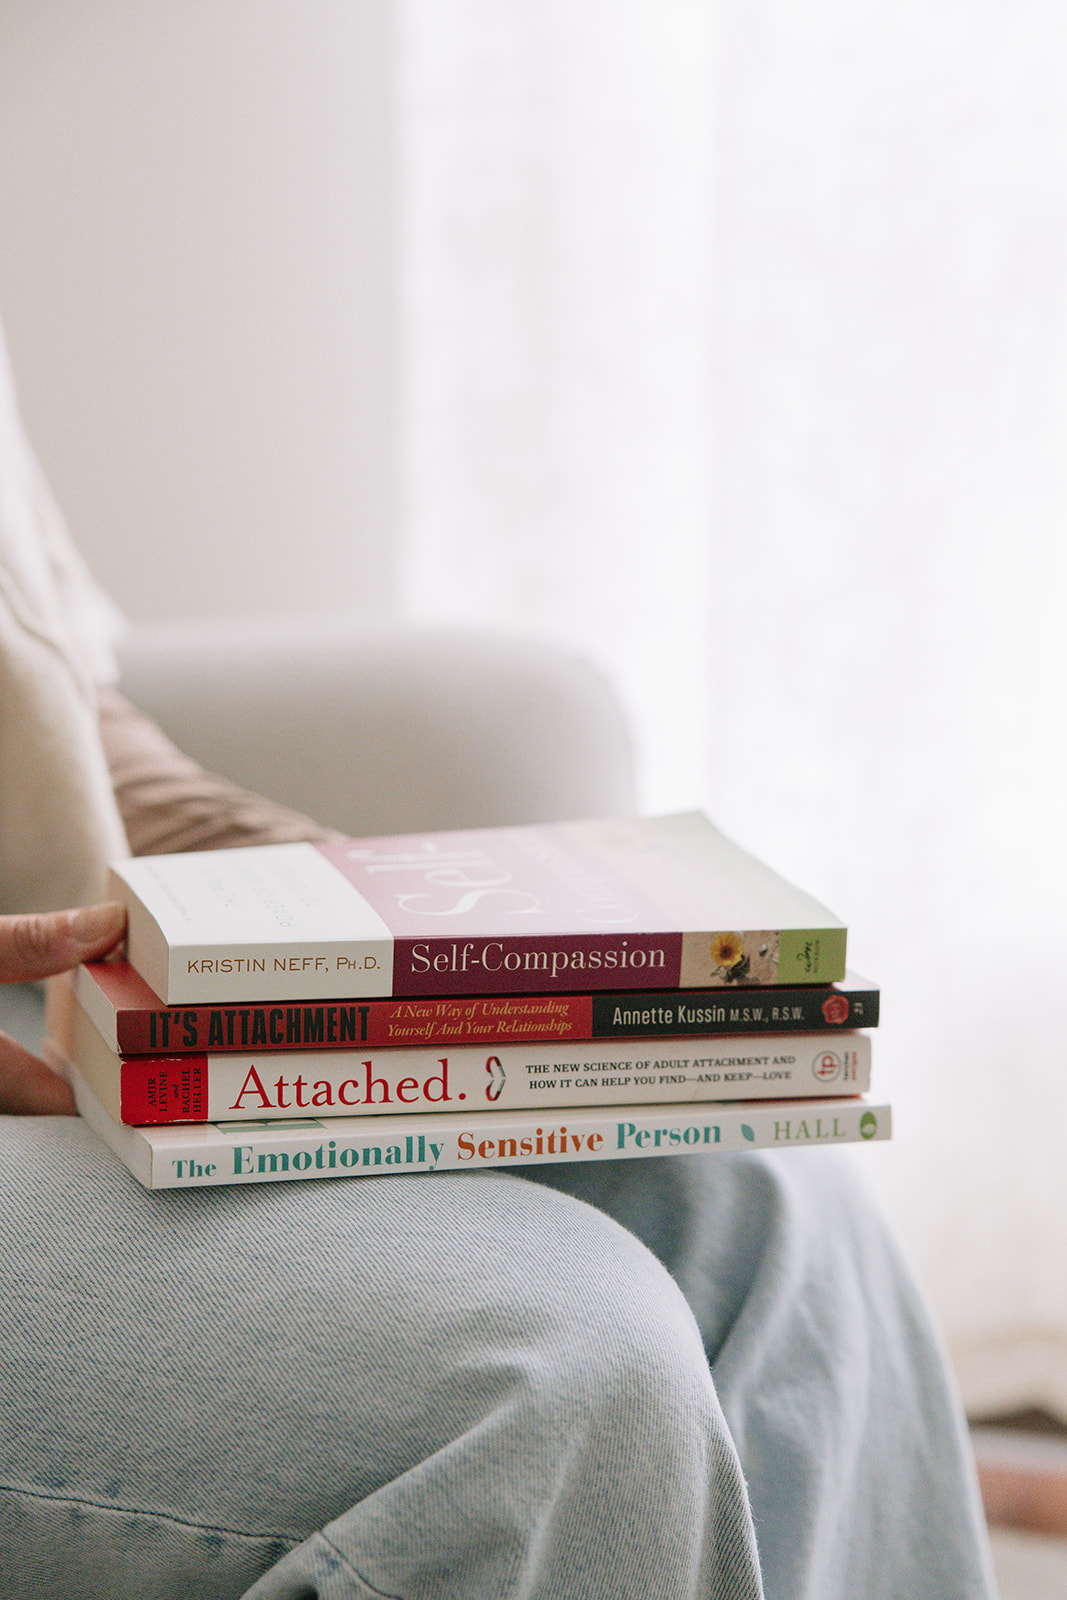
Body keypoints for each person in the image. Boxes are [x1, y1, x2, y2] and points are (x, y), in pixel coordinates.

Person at [0, 318, 998, 1600]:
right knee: (556, 1374)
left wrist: (373, 914)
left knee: (764, 1200)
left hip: (58, 996)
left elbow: (56, 712)